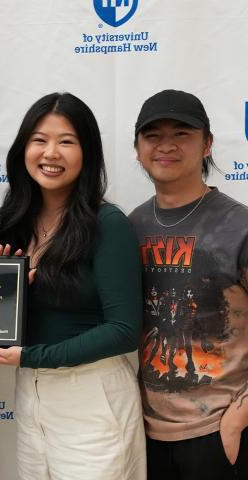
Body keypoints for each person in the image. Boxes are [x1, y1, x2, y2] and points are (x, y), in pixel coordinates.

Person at [0, 92, 146, 480]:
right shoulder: (13, 224)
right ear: (23, 149)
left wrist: (33, 357)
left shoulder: (108, 224)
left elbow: (123, 332)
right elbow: (3, 318)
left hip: (91, 398)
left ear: (87, 153)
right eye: (39, 140)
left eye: (66, 141)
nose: (51, 152)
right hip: (31, 396)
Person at [129, 89, 248, 479]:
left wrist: (240, 417)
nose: (166, 146)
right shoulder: (131, 226)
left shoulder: (238, 226)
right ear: (137, 148)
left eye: (181, 134)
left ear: (207, 143)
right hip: (145, 433)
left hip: (220, 430)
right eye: (153, 136)